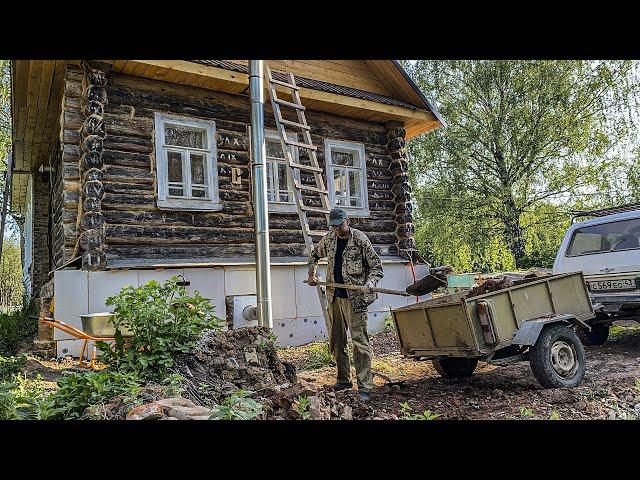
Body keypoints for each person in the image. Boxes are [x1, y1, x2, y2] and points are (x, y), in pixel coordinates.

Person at [307, 207, 383, 401]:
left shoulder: (360, 240)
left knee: (360, 343)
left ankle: (365, 386)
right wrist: (312, 274)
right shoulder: (330, 239)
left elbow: (377, 267)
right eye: (333, 226)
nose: (336, 229)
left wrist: (370, 283)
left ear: (347, 221)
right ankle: (343, 379)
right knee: (336, 340)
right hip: (334, 297)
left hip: (355, 299)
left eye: (339, 225)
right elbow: (314, 255)